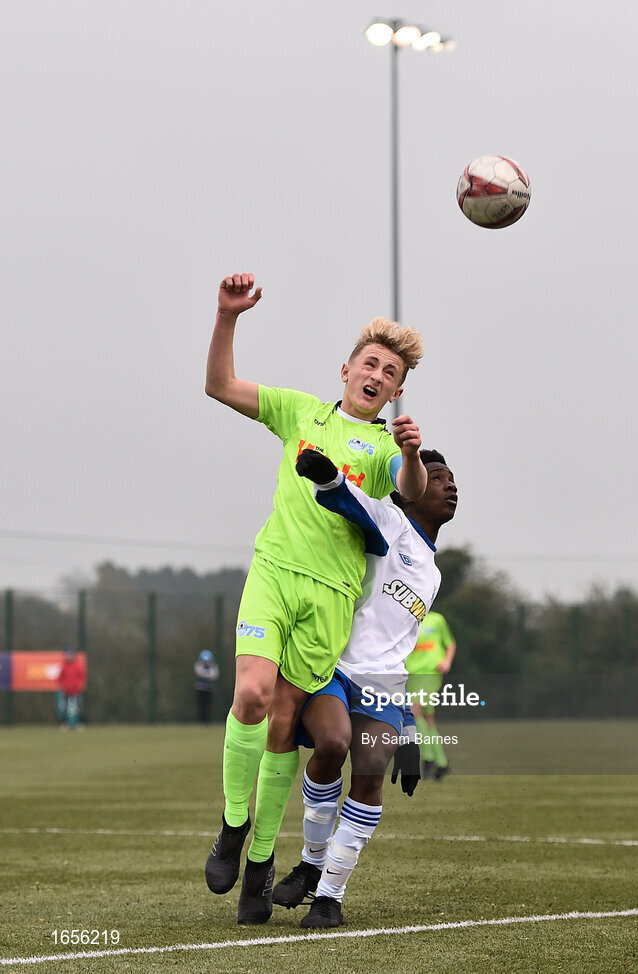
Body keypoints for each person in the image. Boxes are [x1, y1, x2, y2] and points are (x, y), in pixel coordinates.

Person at [202, 273, 428, 923]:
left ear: (395, 390)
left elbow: (410, 493)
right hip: (274, 574)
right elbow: (218, 386)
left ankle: (262, 864)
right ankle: (233, 825)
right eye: (371, 362)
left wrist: (411, 453)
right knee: (250, 695)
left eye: (390, 371)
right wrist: (226, 317)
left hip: (330, 600)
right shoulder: (300, 411)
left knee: (280, 728)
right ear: (347, 369)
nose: (378, 374)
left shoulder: (386, 448)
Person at [268, 446, 458, 929]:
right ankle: (312, 860)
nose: (449, 485)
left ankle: (329, 894)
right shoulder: (392, 522)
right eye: (437, 477)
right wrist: (329, 475)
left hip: (385, 686)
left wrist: (410, 731)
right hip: (337, 670)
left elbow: (402, 649)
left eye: (452, 479)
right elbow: (353, 502)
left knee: (372, 769)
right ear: (410, 491)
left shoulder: (433, 574)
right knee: (332, 743)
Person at [406, 609, 457, 777]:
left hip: (431, 672)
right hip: (411, 673)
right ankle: (442, 763)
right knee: (427, 719)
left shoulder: (437, 619)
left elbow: (450, 643)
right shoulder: (405, 618)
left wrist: (447, 661)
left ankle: (428, 758)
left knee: (414, 711)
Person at [56, 646, 87, 730]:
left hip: (76, 690)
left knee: (79, 707)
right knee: (64, 707)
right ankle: (64, 723)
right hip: (66, 690)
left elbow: (82, 676)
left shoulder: (77, 666)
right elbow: (60, 678)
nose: (69, 656)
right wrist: (62, 686)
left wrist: (81, 684)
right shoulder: (63, 666)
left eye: (70, 654)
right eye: (67, 654)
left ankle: (81, 723)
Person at [194, 650, 220, 724]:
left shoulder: (213, 666)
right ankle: (200, 721)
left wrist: (206, 674)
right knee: (201, 705)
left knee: (208, 705)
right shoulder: (198, 665)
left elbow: (214, 675)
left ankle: (207, 721)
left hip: (209, 689)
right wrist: (207, 674)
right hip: (200, 688)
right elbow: (200, 673)